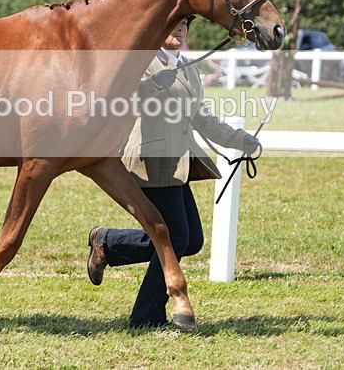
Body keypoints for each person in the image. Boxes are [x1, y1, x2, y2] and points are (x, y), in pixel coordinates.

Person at [86, 16, 260, 330]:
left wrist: (239, 140)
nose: (180, 29)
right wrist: (153, 85)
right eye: (174, 24)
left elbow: (201, 118)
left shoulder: (188, 68)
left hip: (177, 163)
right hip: (151, 160)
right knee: (177, 236)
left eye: (184, 25)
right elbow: (124, 102)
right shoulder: (142, 62)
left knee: (191, 240)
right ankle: (146, 316)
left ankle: (108, 243)